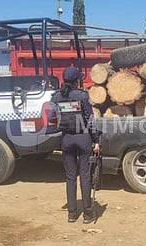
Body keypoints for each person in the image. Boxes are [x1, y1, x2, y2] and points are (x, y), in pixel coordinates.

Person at [51, 66, 100, 224]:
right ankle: (87, 214)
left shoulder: (56, 96)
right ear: (76, 80)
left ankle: (72, 214)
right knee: (85, 176)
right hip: (83, 138)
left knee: (70, 177)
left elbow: (53, 116)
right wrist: (96, 141)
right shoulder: (82, 96)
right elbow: (91, 119)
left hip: (66, 139)